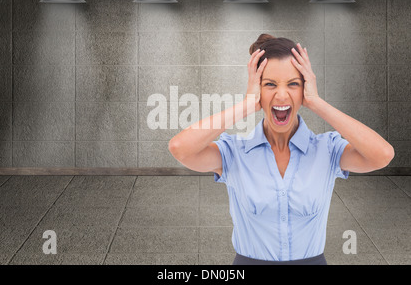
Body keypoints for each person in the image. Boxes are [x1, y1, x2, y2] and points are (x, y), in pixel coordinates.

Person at [168, 34, 395, 265]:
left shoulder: (327, 150)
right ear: (258, 89)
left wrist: (317, 102)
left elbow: (382, 155)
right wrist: (246, 105)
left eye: (293, 84)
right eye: (270, 84)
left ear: (304, 89)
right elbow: (180, 148)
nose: (282, 95)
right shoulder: (234, 152)